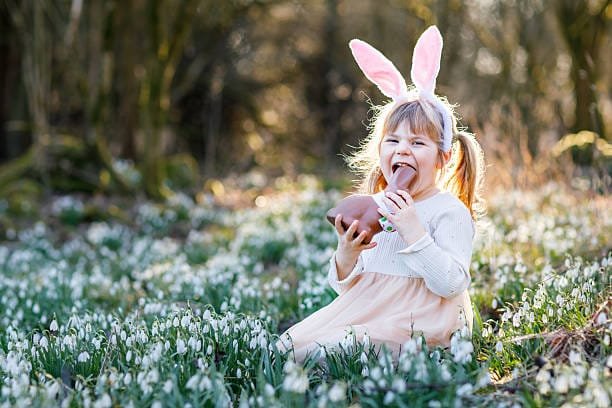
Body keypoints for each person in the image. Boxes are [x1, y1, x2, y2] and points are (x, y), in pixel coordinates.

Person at [276, 26, 485, 363]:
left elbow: (451, 283)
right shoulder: (377, 206)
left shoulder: (449, 211)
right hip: (370, 314)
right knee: (288, 347)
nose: (403, 150)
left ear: (442, 158)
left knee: (327, 353)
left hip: (422, 323)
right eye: (393, 141)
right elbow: (351, 289)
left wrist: (413, 230)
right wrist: (347, 254)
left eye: (417, 143)